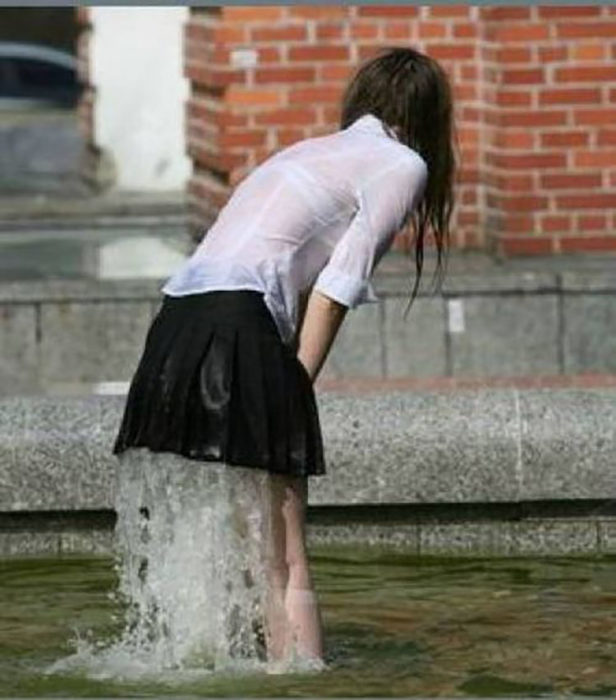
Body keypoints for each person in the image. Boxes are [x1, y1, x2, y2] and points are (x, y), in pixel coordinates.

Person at [112, 45, 456, 667]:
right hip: (238, 321)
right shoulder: (401, 164)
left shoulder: (303, 154)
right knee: (287, 554)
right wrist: (294, 390)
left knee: (244, 531)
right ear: (431, 120)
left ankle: (223, 658)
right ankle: (300, 682)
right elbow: (335, 288)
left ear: (362, 102)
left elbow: (274, 268)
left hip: (174, 323)